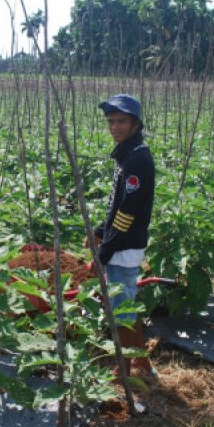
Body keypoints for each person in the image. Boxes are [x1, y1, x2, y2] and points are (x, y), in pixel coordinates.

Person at [89, 93, 155, 376]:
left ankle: (124, 371)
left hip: (125, 246)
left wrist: (103, 253)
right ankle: (143, 363)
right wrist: (99, 231)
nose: (115, 127)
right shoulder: (129, 154)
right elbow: (117, 204)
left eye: (121, 122)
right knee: (127, 303)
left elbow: (127, 214)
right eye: (111, 121)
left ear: (136, 124)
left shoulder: (137, 161)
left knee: (122, 313)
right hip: (123, 243)